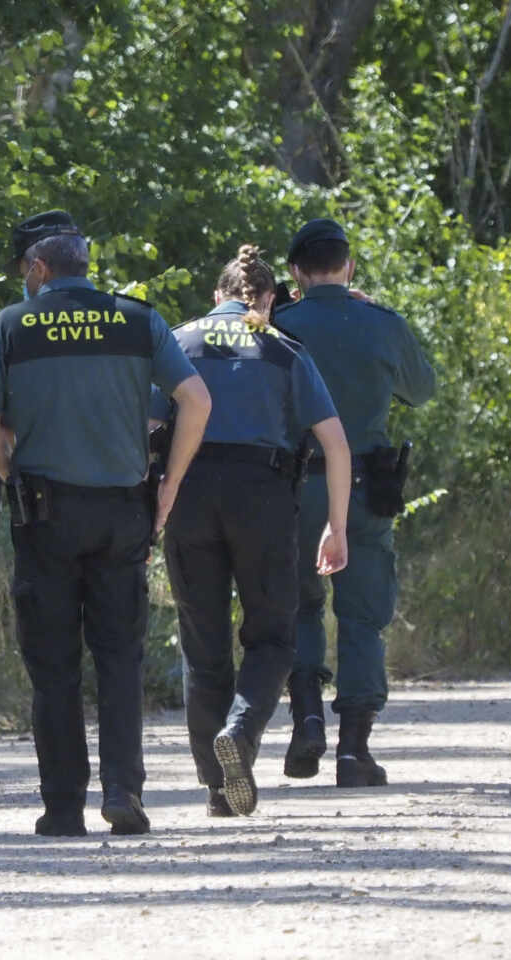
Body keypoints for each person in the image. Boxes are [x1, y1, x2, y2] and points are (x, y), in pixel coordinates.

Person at [0, 210, 211, 836]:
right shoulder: (138, 319)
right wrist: (170, 483)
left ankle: (63, 805)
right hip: (123, 510)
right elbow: (196, 401)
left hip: (45, 512)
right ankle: (123, 793)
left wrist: (13, 475)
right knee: (120, 659)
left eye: (26, 270)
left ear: (39, 270)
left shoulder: (12, 325)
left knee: (54, 665)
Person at [155, 244, 352, 818]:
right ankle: (240, 732)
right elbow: (336, 444)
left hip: (189, 494)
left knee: (203, 638)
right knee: (272, 637)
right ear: (268, 300)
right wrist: (335, 527)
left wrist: (153, 501)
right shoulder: (285, 349)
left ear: (217, 296)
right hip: (262, 498)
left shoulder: (178, 341)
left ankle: (218, 786)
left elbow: (147, 428)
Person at [271, 218, 436, 788]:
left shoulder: (277, 324)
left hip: (290, 487)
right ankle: (354, 749)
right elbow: (422, 389)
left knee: (298, 605)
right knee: (362, 615)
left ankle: (306, 719)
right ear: (350, 267)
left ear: (295, 273)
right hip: (365, 489)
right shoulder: (382, 324)